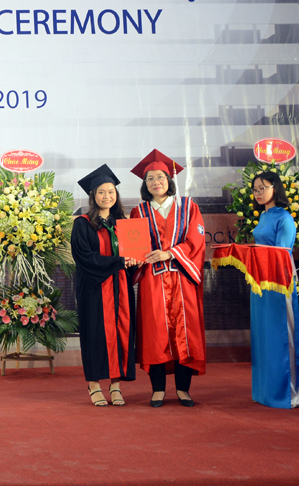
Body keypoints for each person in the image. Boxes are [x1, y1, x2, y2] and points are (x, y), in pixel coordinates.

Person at [129, 150, 206, 408]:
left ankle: (183, 389)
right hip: (153, 280)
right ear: (145, 184)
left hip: (182, 278)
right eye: (150, 178)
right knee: (155, 334)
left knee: (186, 333)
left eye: (160, 177)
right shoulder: (138, 211)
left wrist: (170, 253)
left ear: (169, 179)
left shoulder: (188, 206)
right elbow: (134, 248)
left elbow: (196, 242)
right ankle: (158, 390)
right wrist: (135, 258)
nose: (156, 182)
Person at [71, 165, 139, 407]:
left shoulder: (124, 224)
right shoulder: (82, 224)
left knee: (121, 333)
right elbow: (84, 258)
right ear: (93, 195)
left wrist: (135, 260)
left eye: (111, 191)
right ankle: (94, 385)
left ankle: (116, 385)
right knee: (95, 335)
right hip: (94, 289)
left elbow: (134, 255)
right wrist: (118, 261)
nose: (107, 196)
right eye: (101, 192)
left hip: (120, 288)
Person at [250, 170, 299, 408]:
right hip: (260, 281)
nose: (258, 193)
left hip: (279, 281)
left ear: (276, 188)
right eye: (255, 190)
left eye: (262, 188)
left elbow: (282, 253)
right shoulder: (264, 216)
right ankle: (267, 391)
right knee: (264, 336)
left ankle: (290, 393)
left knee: (282, 336)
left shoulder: (284, 217)